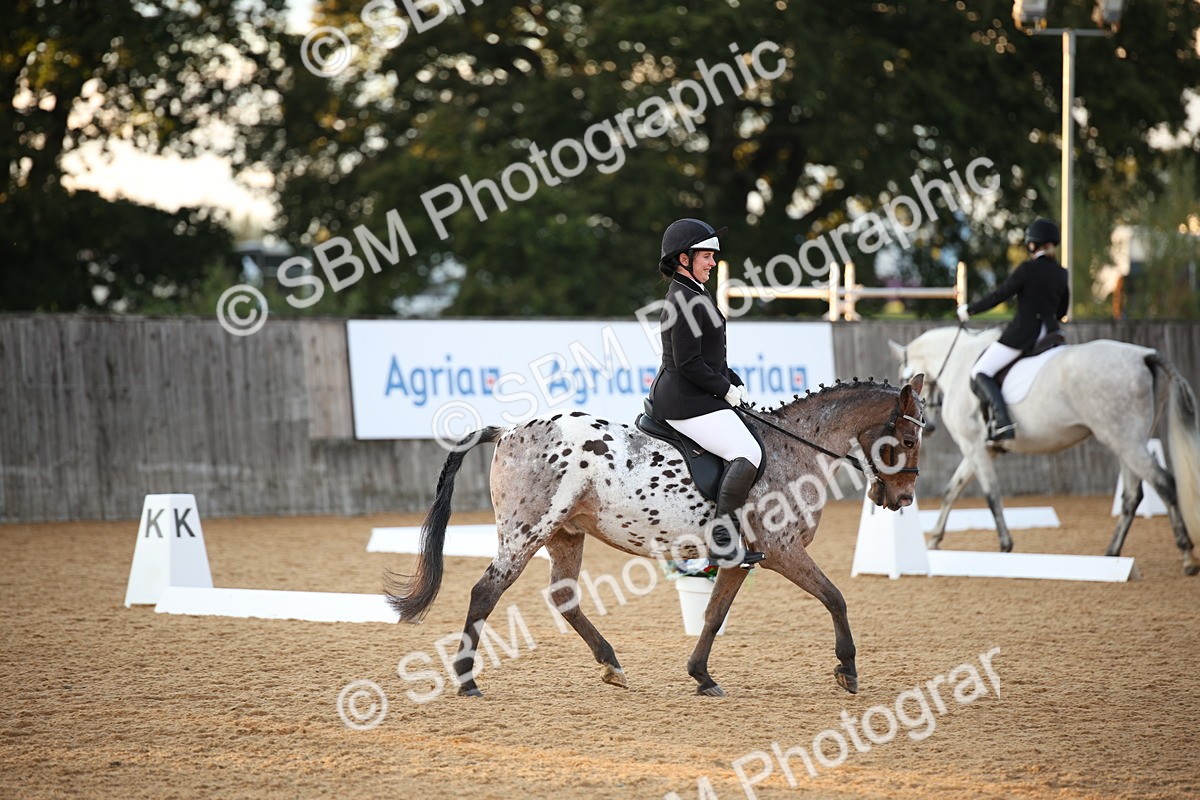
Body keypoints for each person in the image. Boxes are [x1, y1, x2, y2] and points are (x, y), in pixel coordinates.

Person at [647, 218, 765, 568]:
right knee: (747, 451)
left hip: (698, 394)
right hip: (684, 400)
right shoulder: (683, 299)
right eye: (707, 256)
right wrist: (725, 389)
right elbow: (687, 363)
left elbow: (710, 356)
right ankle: (724, 543)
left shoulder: (697, 291)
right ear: (684, 259)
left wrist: (732, 378)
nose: (713, 262)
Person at [956, 218, 1070, 442]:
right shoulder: (1061, 273)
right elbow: (1062, 310)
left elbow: (1000, 295)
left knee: (980, 371)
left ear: (1032, 245)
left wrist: (970, 310)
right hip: (1051, 334)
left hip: (1023, 334)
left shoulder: (1027, 269)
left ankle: (1003, 422)